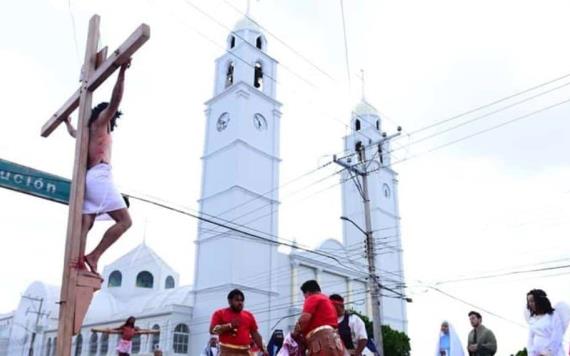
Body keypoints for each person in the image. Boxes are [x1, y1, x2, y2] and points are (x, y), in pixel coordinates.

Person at [64, 59, 133, 274]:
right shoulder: (101, 122)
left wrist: (67, 122)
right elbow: (115, 101)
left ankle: (78, 262)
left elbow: (74, 133)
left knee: (87, 222)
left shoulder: (87, 131)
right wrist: (122, 71)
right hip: (100, 176)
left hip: (90, 178)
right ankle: (94, 255)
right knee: (125, 221)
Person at [292, 280, 344, 356]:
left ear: (308, 292)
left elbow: (304, 319)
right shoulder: (328, 300)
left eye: (304, 296)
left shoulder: (312, 298)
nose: (305, 298)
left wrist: (295, 334)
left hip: (321, 341)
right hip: (335, 341)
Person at [210, 289, 268, 356]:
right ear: (230, 301)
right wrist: (229, 326)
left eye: (242, 300)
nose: (240, 303)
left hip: (245, 353)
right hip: (226, 352)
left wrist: (264, 349)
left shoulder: (249, 315)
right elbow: (212, 330)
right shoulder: (220, 313)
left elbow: (255, 334)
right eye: (237, 300)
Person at [525, 289, 570, 356]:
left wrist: (548, 352)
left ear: (540, 301)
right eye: (529, 302)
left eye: (532, 301)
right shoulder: (532, 319)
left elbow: (557, 335)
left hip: (553, 353)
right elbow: (530, 339)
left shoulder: (553, 315)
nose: (530, 304)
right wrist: (531, 353)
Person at [91, 316, 158, 356]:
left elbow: (141, 330)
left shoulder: (134, 328)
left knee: (127, 354)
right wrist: (110, 329)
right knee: (121, 354)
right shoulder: (124, 326)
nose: (132, 321)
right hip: (123, 342)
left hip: (129, 342)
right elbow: (117, 328)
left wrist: (147, 331)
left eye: (133, 320)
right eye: (131, 320)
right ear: (128, 320)